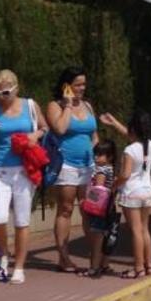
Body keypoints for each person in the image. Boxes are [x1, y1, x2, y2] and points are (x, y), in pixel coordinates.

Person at [0, 69, 46, 284]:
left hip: (24, 168)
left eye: (6, 93)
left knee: (21, 220)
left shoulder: (30, 106)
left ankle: (19, 266)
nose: (1, 98)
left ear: (16, 89)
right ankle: (3, 252)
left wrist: (34, 135)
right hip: (0, 168)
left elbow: (44, 127)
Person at [45, 67, 98, 274]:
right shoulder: (55, 105)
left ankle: (94, 254)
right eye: (77, 84)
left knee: (88, 209)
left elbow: (94, 136)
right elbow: (59, 128)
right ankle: (63, 256)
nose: (81, 88)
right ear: (66, 86)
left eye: (83, 84)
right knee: (66, 209)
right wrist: (67, 106)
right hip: (65, 164)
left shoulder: (87, 106)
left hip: (87, 165)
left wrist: (92, 150)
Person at [101, 111, 151, 279]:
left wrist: (113, 186)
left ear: (133, 129)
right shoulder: (149, 145)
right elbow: (132, 137)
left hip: (132, 193)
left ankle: (138, 268)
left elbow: (125, 175)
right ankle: (149, 265)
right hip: (147, 192)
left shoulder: (129, 150)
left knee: (135, 231)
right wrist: (115, 122)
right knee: (145, 229)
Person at [78, 140, 117, 278]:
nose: (96, 158)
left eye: (100, 155)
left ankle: (94, 268)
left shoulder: (101, 170)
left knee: (97, 238)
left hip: (98, 209)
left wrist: (85, 202)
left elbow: (98, 190)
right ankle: (104, 264)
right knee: (106, 237)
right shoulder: (111, 168)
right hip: (109, 206)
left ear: (110, 156)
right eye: (96, 154)